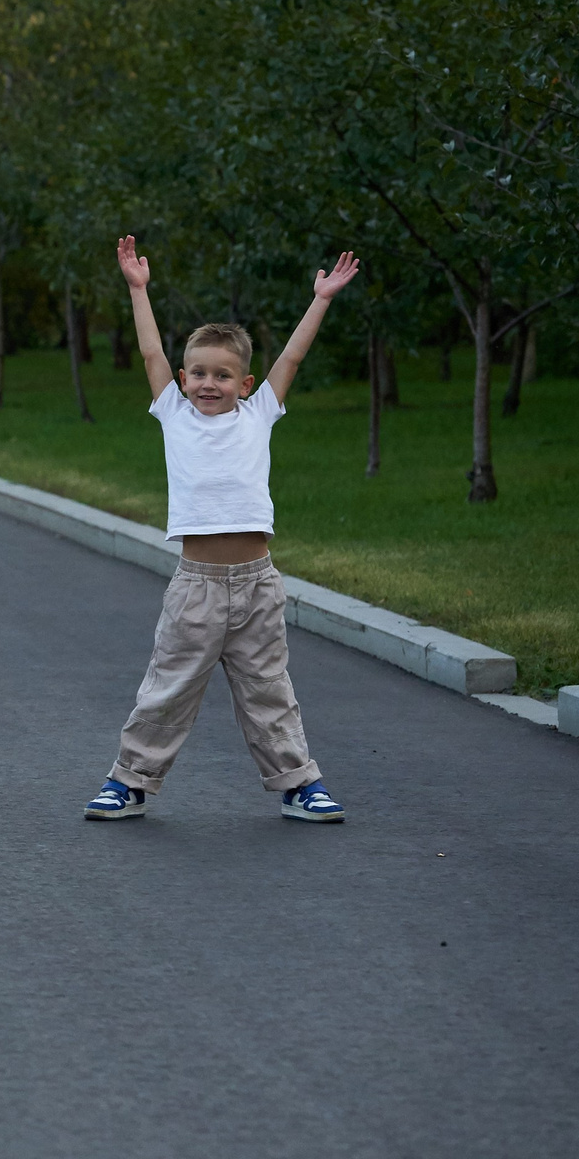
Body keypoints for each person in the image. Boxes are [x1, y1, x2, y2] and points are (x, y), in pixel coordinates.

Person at [86, 236, 359, 823]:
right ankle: (127, 782)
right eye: (200, 374)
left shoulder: (259, 413)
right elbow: (151, 351)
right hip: (197, 587)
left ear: (246, 382)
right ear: (183, 379)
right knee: (169, 689)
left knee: (270, 691)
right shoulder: (173, 414)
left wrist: (322, 300)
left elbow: (291, 359)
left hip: (258, 584)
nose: (210, 384)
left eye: (224, 375)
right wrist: (139, 290)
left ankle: (299, 785)